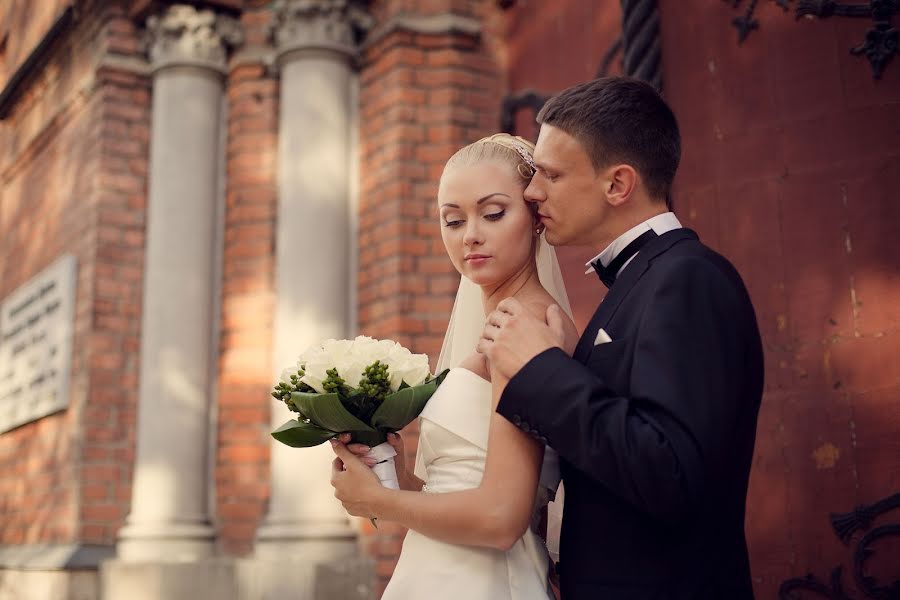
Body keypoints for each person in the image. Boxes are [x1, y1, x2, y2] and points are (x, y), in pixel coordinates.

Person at [478, 76, 764, 599]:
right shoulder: (642, 282)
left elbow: (670, 471)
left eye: (552, 174)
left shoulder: (687, 279)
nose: (532, 191)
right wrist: (569, 365)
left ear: (618, 185)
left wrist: (543, 369)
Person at [329, 133, 578, 599]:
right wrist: (398, 476)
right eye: (453, 219)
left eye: (494, 213)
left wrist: (382, 501)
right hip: (442, 569)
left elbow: (502, 519)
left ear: (535, 218)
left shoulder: (522, 330)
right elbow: (468, 489)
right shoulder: (501, 322)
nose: (471, 236)